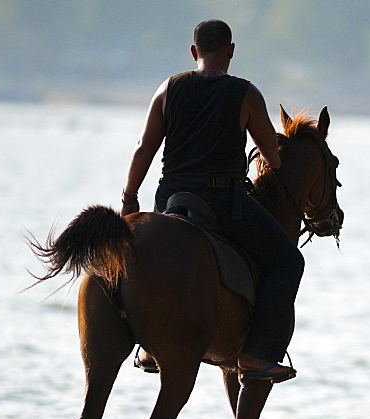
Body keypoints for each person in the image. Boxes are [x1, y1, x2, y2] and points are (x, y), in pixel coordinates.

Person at [120, 19, 303, 383]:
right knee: (288, 262)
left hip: (169, 200)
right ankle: (256, 354)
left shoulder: (168, 88)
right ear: (231, 51)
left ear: (194, 52)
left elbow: (144, 148)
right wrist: (272, 154)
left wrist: (129, 198)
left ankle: (147, 344)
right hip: (223, 202)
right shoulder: (245, 93)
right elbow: (272, 152)